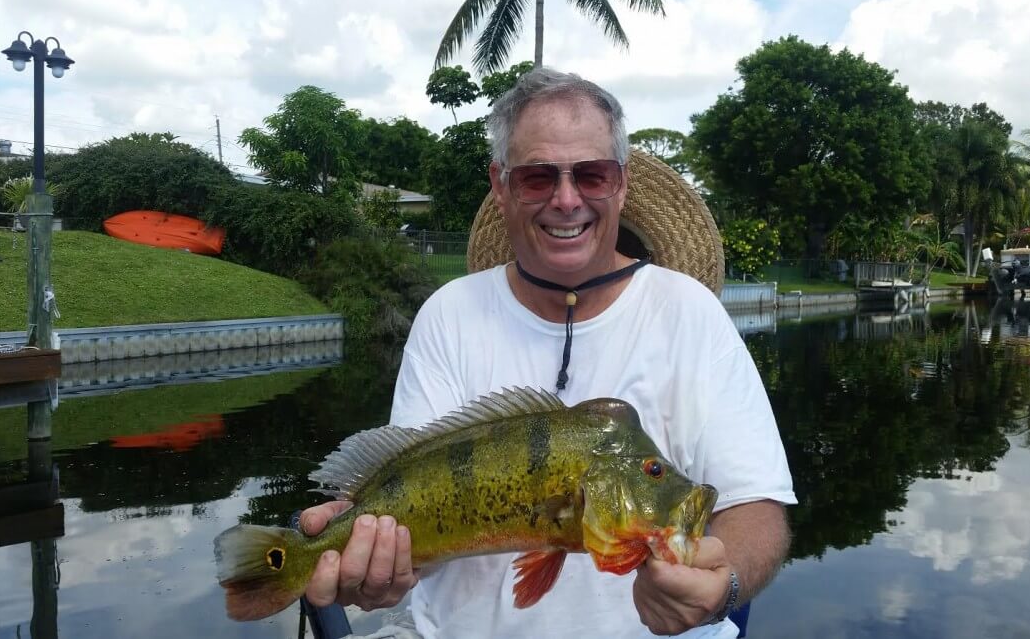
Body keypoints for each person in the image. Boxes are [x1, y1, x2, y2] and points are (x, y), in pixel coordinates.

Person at [300, 68, 795, 638]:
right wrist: (375, 560)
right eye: (538, 177)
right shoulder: (448, 314)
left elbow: (757, 509)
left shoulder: (690, 313)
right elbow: (422, 515)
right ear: (502, 184)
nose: (566, 199)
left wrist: (723, 583)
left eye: (591, 174)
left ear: (621, 183)